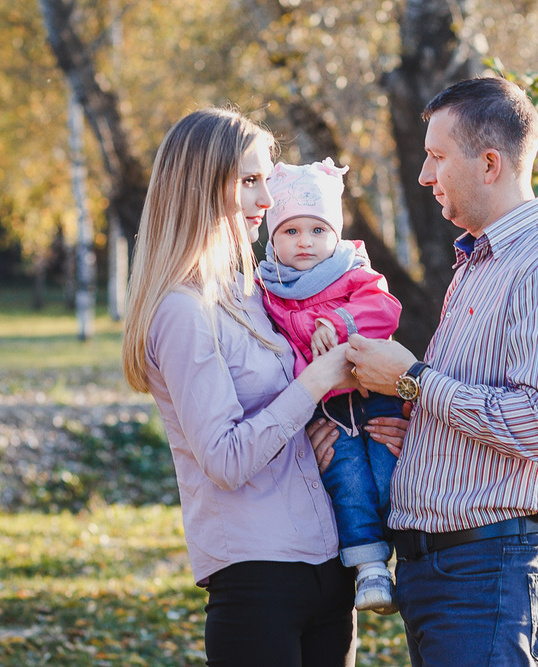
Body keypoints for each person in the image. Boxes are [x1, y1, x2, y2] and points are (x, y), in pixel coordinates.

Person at [120, 107, 408, 667]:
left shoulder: (255, 294)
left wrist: (345, 423)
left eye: (265, 181)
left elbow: (297, 409)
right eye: (250, 181)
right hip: (257, 578)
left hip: (331, 564)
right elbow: (225, 458)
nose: (267, 200)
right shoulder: (182, 311)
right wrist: (316, 383)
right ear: (203, 188)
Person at [346, 76, 538, 666]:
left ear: (490, 163)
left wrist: (413, 380)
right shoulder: (480, 263)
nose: (423, 175)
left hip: (489, 573)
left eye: (437, 157)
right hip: (444, 574)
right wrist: (414, 428)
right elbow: (479, 407)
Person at [258, 158, 404, 614]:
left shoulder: (353, 273)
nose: (305, 242)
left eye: (317, 230)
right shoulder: (268, 291)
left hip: (373, 392)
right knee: (347, 480)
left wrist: (337, 323)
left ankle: (408, 549)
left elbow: (383, 310)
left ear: (336, 235)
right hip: (327, 410)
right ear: (273, 237)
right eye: (291, 231)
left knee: (387, 472)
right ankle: (370, 568)